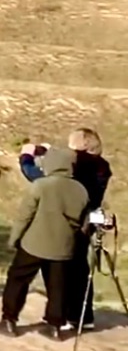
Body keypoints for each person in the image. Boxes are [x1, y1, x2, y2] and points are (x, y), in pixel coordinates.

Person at [0, 146, 88, 339]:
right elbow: (84, 225)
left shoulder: (41, 185)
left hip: (34, 244)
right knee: (58, 286)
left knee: (18, 279)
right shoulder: (81, 190)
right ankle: (54, 327)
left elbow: (24, 216)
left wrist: (14, 239)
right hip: (63, 246)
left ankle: (9, 320)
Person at [65, 129, 112, 330]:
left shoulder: (75, 163)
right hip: (87, 221)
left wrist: (27, 158)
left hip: (69, 220)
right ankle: (85, 315)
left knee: (65, 267)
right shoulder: (102, 166)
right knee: (81, 267)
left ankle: (69, 315)